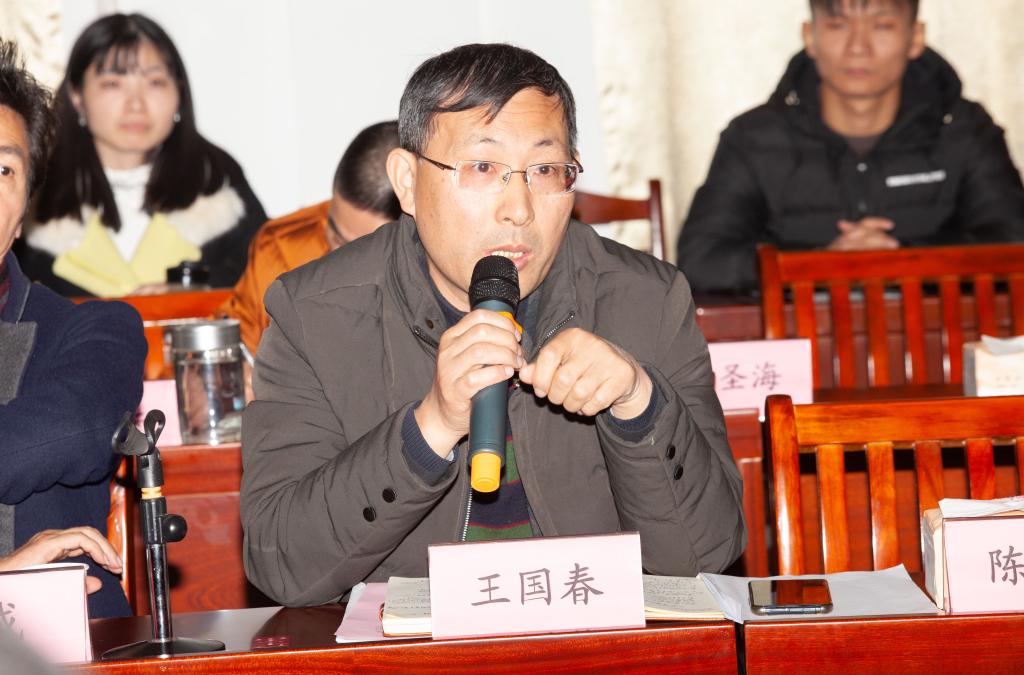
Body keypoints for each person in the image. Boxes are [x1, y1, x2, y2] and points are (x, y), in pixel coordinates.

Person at [241, 43, 745, 607]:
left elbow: (705, 558)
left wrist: (639, 404)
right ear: (406, 181)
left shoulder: (646, 299)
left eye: (545, 171)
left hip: (592, 639)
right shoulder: (313, 313)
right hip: (412, 651)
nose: (519, 209)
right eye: (483, 168)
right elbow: (281, 565)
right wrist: (429, 428)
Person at [677, 0, 1024, 294]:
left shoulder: (963, 129)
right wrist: (821, 263)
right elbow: (701, 260)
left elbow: (1013, 241)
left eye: (882, 26)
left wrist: (899, 260)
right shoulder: (755, 138)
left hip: (943, 338)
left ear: (915, 37)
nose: (858, 47)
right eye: (838, 25)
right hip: (801, 340)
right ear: (809, 37)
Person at [0, 39, 145, 617]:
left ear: (22, 215)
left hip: (65, 646)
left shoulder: (94, 331)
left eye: (3, 168)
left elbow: (74, 429)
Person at [17, 13, 266, 298]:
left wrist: (197, 297)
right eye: (113, 84)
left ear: (179, 93)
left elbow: (268, 287)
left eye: (155, 82)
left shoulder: (218, 183)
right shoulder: (33, 194)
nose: (136, 104)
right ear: (77, 96)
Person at [220, 121, 401, 353]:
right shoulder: (281, 248)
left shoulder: (440, 270)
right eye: (336, 237)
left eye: (366, 249)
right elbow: (240, 339)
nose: (345, 260)